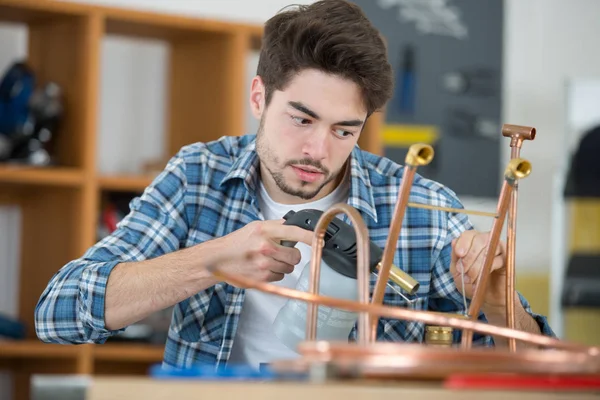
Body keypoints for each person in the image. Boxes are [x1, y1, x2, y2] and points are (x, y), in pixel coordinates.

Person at [35, 0, 554, 370]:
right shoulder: (198, 176)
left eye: (343, 130)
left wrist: (498, 305)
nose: (317, 151)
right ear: (259, 97)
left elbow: (539, 368)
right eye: (301, 120)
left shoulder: (422, 205)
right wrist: (210, 262)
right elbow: (57, 314)